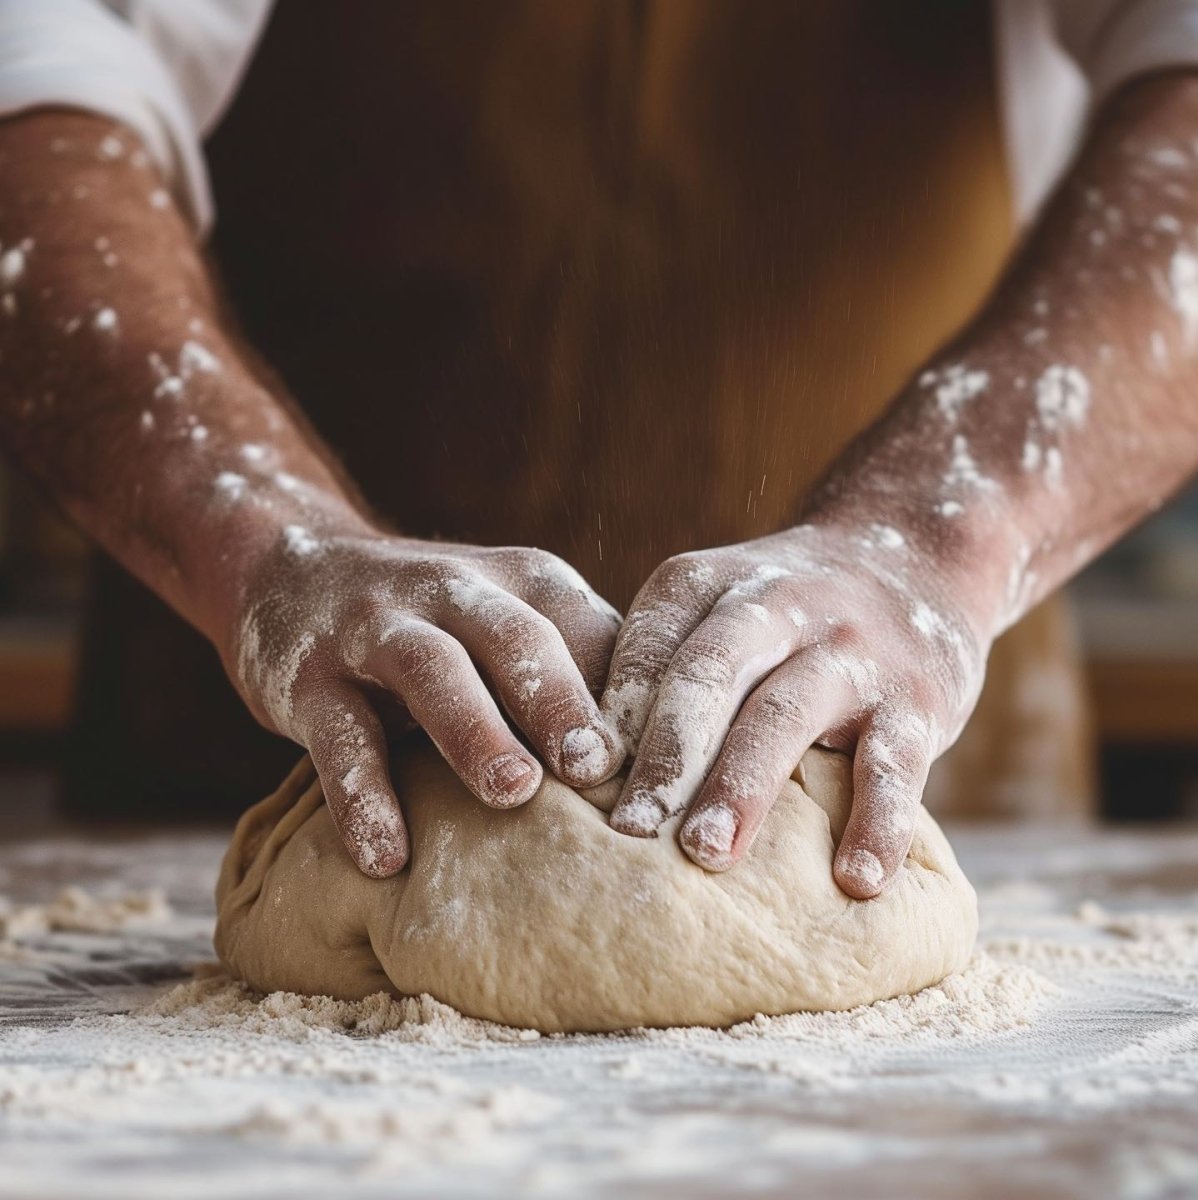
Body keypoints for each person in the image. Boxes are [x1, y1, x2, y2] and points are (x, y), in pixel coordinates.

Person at [0, 2, 1194, 898]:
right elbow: (30, 77)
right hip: (262, 756)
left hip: (883, 761)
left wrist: (932, 543)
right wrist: (261, 544)